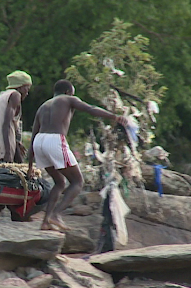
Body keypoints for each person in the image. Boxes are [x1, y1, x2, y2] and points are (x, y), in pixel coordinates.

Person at [27, 79, 129, 231]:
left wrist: (29, 166)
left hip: (39, 142)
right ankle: (55, 214)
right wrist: (114, 117)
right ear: (68, 92)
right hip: (55, 140)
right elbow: (91, 109)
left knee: (60, 182)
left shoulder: (43, 107)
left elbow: (34, 135)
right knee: (77, 182)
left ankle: (45, 221)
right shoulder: (69, 99)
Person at [0, 70, 32, 220]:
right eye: (27, 88)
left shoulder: (2, 95)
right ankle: (17, 213)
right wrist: (8, 151)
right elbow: (6, 123)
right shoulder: (15, 95)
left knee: (0, 180)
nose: (27, 93)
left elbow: (11, 124)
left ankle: (6, 212)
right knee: (9, 179)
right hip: (2, 144)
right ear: (20, 86)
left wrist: (16, 143)